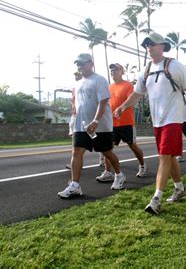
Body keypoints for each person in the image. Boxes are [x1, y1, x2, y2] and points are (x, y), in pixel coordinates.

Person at [114, 32, 186, 215]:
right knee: (169, 156)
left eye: (152, 44)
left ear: (162, 46)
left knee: (164, 157)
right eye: (146, 45)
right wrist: (122, 106)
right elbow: (137, 93)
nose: (148, 47)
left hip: (174, 119)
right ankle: (179, 188)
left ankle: (156, 199)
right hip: (157, 122)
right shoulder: (146, 70)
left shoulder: (175, 66)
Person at [58, 53, 126, 198]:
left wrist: (95, 121)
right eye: (78, 64)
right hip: (81, 126)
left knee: (107, 152)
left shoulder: (99, 80)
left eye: (83, 63)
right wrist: (73, 123)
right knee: (76, 152)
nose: (80, 66)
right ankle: (75, 185)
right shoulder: (77, 84)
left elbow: (103, 102)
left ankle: (119, 175)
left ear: (91, 64)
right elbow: (76, 106)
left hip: (100, 126)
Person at [96, 62, 148, 182]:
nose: (113, 72)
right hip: (112, 124)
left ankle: (142, 165)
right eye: (112, 71)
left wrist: (121, 109)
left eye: (116, 70)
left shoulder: (128, 85)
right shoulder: (109, 87)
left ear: (122, 72)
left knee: (133, 146)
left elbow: (132, 101)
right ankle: (108, 172)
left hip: (126, 123)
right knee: (108, 149)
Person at [66, 71, 83, 169]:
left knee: (96, 139)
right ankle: (75, 162)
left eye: (78, 75)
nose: (76, 77)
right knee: (76, 140)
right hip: (75, 115)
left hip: (84, 116)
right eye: (75, 75)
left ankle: (103, 159)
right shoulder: (74, 87)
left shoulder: (86, 86)